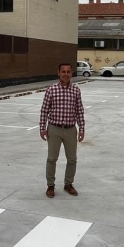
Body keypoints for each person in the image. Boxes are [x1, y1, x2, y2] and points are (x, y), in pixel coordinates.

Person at [39, 62, 85, 198]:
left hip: (70, 130)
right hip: (54, 129)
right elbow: (44, 110)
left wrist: (82, 128)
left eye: (68, 72)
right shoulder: (51, 90)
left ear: (71, 73)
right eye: (63, 71)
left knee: (72, 159)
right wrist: (42, 128)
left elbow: (79, 111)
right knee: (52, 158)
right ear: (58, 73)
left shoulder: (76, 90)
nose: (66, 74)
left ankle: (68, 184)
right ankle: (50, 186)